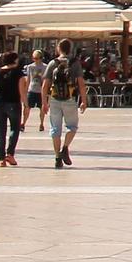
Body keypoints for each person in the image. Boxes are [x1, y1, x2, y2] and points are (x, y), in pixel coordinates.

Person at [43, 40, 88, 169]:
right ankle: (65, 148)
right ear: (70, 49)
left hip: (54, 99)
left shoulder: (53, 63)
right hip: (70, 99)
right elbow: (81, 83)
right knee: (72, 127)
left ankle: (57, 157)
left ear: (58, 48)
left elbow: (45, 85)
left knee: (55, 129)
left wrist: (44, 103)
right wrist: (84, 101)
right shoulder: (75, 63)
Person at [0, 50, 28, 167]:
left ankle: (1, 159)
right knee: (15, 128)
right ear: (15, 60)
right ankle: (10, 154)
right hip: (13, 103)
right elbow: (22, 91)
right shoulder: (19, 73)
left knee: (1, 131)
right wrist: (26, 105)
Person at [23, 48, 49, 131]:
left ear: (41, 58)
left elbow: (46, 80)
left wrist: (46, 91)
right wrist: (25, 91)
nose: (35, 60)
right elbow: (28, 79)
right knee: (27, 107)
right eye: (34, 58)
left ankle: (41, 123)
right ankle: (23, 123)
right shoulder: (30, 67)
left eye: (37, 58)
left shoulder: (45, 67)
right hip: (32, 90)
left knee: (41, 108)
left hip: (40, 91)